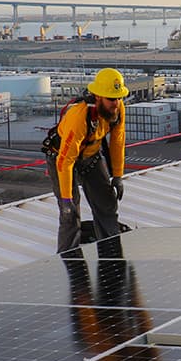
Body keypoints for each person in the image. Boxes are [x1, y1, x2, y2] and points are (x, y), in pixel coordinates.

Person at [46, 67, 128, 253]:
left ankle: (112, 256)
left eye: (118, 98)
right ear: (98, 97)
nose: (116, 103)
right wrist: (66, 199)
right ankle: (69, 260)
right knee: (70, 215)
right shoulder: (79, 116)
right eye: (111, 99)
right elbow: (65, 162)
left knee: (106, 204)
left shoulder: (117, 110)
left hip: (90, 155)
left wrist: (118, 176)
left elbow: (117, 142)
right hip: (61, 158)